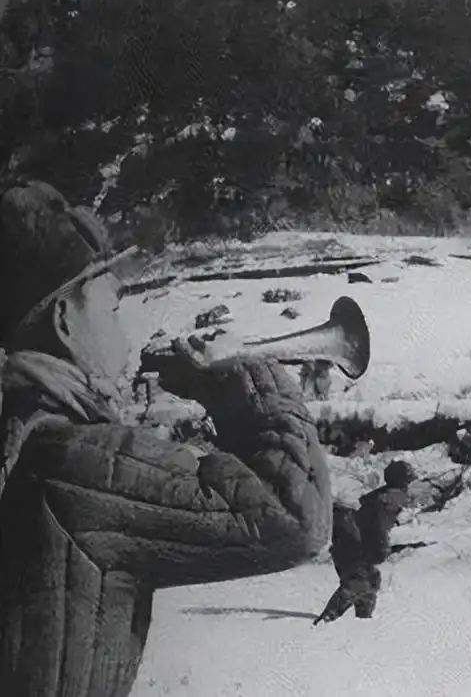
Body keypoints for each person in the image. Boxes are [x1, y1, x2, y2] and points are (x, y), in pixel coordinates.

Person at [0, 180, 333, 696]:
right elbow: (293, 517)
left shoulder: (22, 434)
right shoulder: (68, 462)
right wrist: (242, 374)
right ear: (65, 322)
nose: (127, 334)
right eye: (113, 310)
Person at [315, 460, 417, 625]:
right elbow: (376, 525)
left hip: (349, 542)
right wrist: (381, 548)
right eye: (409, 481)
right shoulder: (389, 498)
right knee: (360, 582)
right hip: (349, 543)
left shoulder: (385, 496)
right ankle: (326, 622)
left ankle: (362, 623)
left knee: (371, 581)